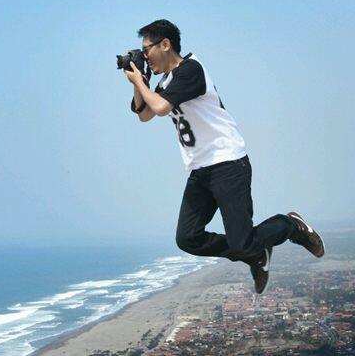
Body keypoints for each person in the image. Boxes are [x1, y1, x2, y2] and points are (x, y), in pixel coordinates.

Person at [123, 19, 325, 294]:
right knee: (187, 238)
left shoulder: (191, 69)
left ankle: (291, 225)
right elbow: (143, 114)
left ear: (166, 44)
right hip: (200, 170)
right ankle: (255, 255)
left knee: (242, 241)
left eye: (146, 49)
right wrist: (139, 82)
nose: (144, 56)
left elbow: (158, 108)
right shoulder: (165, 82)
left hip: (227, 164)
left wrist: (140, 82)